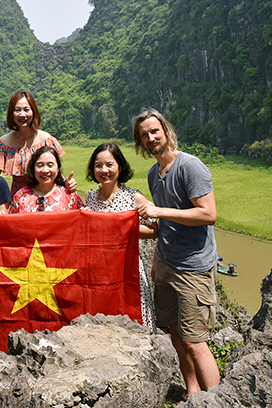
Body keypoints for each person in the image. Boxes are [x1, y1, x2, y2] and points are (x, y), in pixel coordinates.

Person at [133, 109, 220, 400]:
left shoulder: (190, 167)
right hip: (167, 264)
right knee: (175, 335)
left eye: (154, 131)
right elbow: (164, 227)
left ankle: (217, 400)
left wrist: (159, 211)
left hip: (193, 267)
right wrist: (156, 260)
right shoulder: (153, 174)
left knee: (196, 341)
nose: (150, 138)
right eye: (144, 135)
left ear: (166, 131)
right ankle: (192, 393)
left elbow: (209, 214)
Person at [84, 142, 158, 333]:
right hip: (99, 269)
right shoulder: (91, 198)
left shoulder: (134, 197)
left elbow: (154, 230)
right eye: (98, 165)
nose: (104, 170)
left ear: (120, 167)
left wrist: (125, 228)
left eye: (110, 164)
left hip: (128, 268)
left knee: (134, 318)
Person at [0, 91, 73, 195]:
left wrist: (67, 183)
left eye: (26, 110)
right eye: (17, 110)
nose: (22, 114)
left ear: (33, 111)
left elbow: (55, 174)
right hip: (19, 202)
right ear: (11, 113)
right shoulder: (3, 144)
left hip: (46, 200)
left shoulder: (47, 140)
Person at [9, 146, 83, 213]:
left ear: (58, 168)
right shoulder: (21, 196)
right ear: (33, 168)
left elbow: (82, 222)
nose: (45, 170)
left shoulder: (70, 196)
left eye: (50, 165)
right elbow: (12, 224)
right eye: (40, 165)